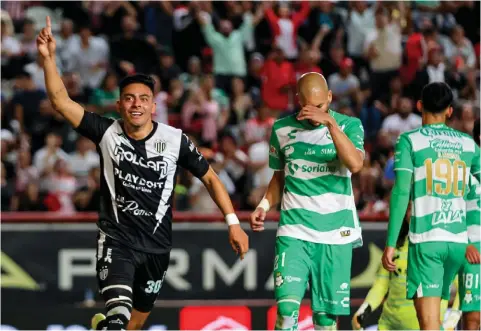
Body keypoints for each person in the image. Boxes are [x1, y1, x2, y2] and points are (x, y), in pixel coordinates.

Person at [36, 17, 249, 331]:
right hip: (116, 241)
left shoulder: (175, 140)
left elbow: (211, 179)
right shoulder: (107, 132)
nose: (136, 104)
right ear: (120, 105)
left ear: (153, 106)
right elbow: (60, 101)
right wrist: (48, 58)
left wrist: (233, 224)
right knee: (118, 318)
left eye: (144, 99)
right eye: (130, 99)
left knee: (132, 326)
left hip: (157, 249)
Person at [250, 72, 365, 330]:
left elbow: (356, 164)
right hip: (294, 230)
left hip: (336, 232)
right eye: (307, 106)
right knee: (287, 310)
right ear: (297, 101)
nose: (313, 113)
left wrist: (330, 124)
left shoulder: (350, 125)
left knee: (325, 320)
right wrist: (264, 205)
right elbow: (280, 177)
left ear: (330, 98)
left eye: (320, 106)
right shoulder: (282, 129)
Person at [382, 82, 481, 330]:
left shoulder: (409, 141)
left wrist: (392, 243)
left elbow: (401, 191)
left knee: (428, 325)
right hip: (458, 245)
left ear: (419, 106)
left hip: (428, 242)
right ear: (450, 111)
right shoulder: (469, 144)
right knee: (436, 321)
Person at [352, 203, 459, 330]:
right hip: (389, 325)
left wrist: (452, 320)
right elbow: (381, 285)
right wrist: (364, 309)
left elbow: (463, 287)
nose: (414, 214)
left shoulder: (443, 248)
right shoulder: (394, 247)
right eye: (409, 209)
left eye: (419, 208)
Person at [445, 117, 481, 330]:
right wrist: (465, 243)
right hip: (474, 251)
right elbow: (451, 208)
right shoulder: (463, 170)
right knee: (473, 318)